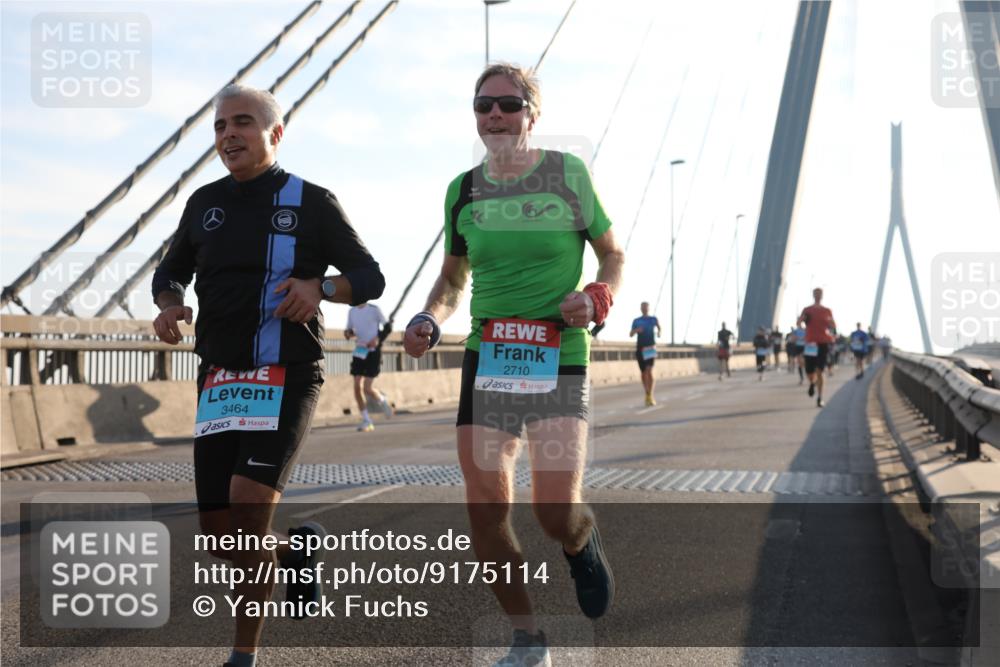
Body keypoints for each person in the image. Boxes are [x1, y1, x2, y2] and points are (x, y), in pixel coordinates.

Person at [151, 84, 385, 667]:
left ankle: (243, 654)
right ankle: (297, 552)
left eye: (243, 122)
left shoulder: (312, 201)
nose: (229, 133)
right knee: (221, 538)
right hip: (220, 382)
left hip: (287, 374)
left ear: (275, 134)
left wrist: (321, 287)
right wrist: (169, 303)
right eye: (221, 125)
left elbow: (369, 275)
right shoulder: (203, 203)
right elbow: (171, 270)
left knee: (248, 506)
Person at [402, 62, 624, 667]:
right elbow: (453, 278)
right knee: (485, 507)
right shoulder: (463, 189)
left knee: (553, 511)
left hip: (558, 357)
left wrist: (598, 295)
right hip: (489, 356)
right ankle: (528, 637)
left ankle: (580, 542)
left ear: (533, 113)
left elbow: (612, 254)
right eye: (482, 106)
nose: (493, 115)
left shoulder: (567, 174)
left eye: (507, 104)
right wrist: (428, 317)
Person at [345, 301, 393, 431]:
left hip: (373, 353)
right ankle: (366, 420)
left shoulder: (374, 309)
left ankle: (382, 400)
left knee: (367, 388)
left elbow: (388, 328)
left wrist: (377, 340)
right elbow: (349, 331)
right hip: (360, 351)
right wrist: (348, 334)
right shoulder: (352, 311)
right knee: (356, 386)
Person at [796, 288, 837, 408]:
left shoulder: (827, 310)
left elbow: (833, 326)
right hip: (810, 344)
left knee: (820, 370)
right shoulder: (807, 309)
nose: (818, 296)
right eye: (816, 294)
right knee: (809, 371)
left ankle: (820, 398)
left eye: (820, 294)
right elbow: (798, 323)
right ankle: (812, 383)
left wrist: (831, 322)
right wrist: (803, 326)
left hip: (822, 343)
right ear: (813, 295)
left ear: (822, 296)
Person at [629, 302, 661, 405]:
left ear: (648, 308)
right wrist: (636, 330)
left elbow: (659, 327)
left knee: (649, 370)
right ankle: (647, 393)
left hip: (650, 347)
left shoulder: (653, 319)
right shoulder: (636, 321)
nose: (644, 309)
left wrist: (659, 332)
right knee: (643, 373)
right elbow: (630, 334)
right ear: (640, 308)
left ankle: (650, 394)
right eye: (643, 307)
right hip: (640, 348)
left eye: (646, 307)